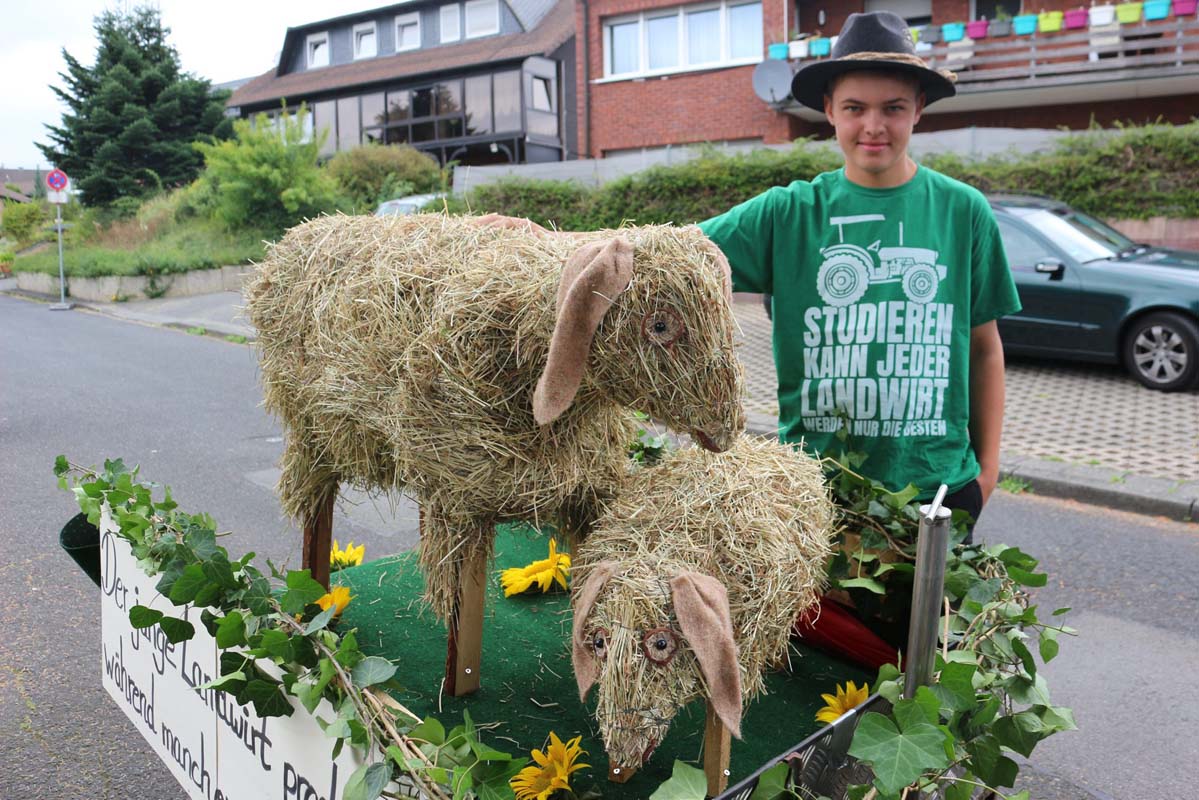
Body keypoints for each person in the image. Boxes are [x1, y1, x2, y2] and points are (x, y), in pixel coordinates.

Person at [698, 11, 1021, 529]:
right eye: (855, 108)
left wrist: (987, 472)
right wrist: (547, 243)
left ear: (918, 108)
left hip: (937, 487)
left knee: (932, 612)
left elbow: (984, 348)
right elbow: (666, 254)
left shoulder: (963, 212)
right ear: (830, 110)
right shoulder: (789, 214)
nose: (873, 126)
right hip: (818, 491)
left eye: (893, 107)